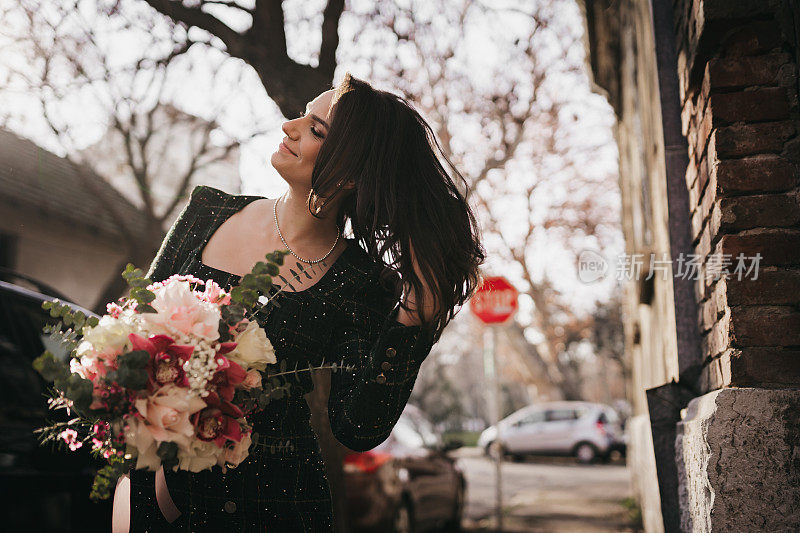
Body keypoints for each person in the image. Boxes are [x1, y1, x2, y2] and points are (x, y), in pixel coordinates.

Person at [113, 72, 485, 532]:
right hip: (157, 493)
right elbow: (133, 333)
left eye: (316, 129)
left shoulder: (363, 281)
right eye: (303, 115)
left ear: (350, 171)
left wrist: (414, 321)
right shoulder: (206, 210)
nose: (290, 126)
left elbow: (357, 428)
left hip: (273, 508)